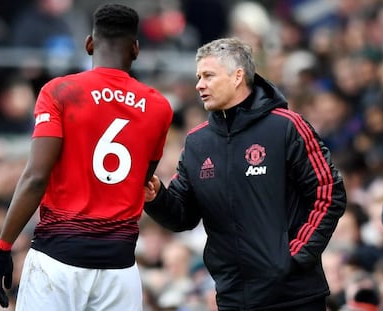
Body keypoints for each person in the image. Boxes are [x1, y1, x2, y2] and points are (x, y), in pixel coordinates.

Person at [0, 3, 173, 311]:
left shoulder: (60, 91)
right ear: (136, 49)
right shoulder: (159, 107)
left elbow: (36, 177)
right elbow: (142, 179)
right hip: (120, 269)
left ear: (89, 43)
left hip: (58, 260)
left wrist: (3, 247)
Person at [145, 37, 347, 311]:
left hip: (295, 297)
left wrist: (293, 257)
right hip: (232, 298)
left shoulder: (286, 127)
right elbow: (183, 216)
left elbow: (329, 192)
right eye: (198, 77)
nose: (199, 85)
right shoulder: (197, 143)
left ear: (238, 76)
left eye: (208, 75)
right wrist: (156, 197)